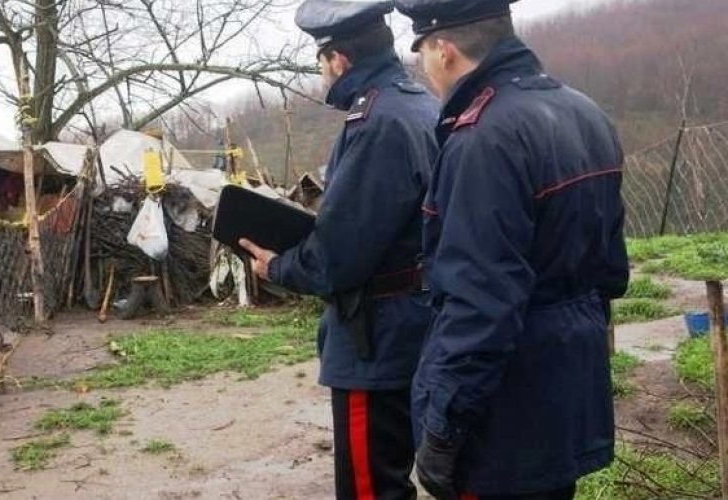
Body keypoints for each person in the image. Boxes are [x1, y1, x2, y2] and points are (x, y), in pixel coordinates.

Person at [391, 1, 630, 499]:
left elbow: (480, 302)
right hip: (569, 385)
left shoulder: (483, 138)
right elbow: (610, 271)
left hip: (505, 410)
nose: (426, 72)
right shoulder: (585, 113)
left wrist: (443, 428)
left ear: (445, 50)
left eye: (423, 56)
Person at [239, 1, 439, 498]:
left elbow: (341, 253)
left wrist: (279, 265)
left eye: (321, 62)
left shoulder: (377, 121)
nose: (322, 73)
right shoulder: (420, 102)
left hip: (377, 337)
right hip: (420, 318)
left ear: (338, 61)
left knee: (372, 486)